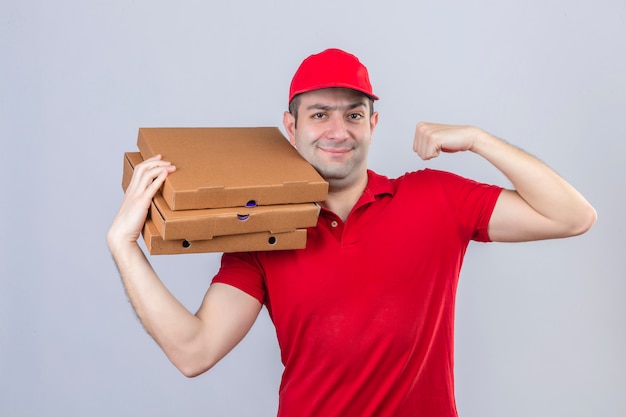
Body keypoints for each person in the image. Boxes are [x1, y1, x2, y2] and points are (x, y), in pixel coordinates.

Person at [107, 48, 597, 416]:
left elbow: (571, 216)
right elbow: (194, 351)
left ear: (373, 123)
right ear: (290, 127)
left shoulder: (434, 198)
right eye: (320, 114)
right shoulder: (265, 233)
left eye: (353, 114)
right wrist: (124, 246)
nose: (338, 131)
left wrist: (478, 140)